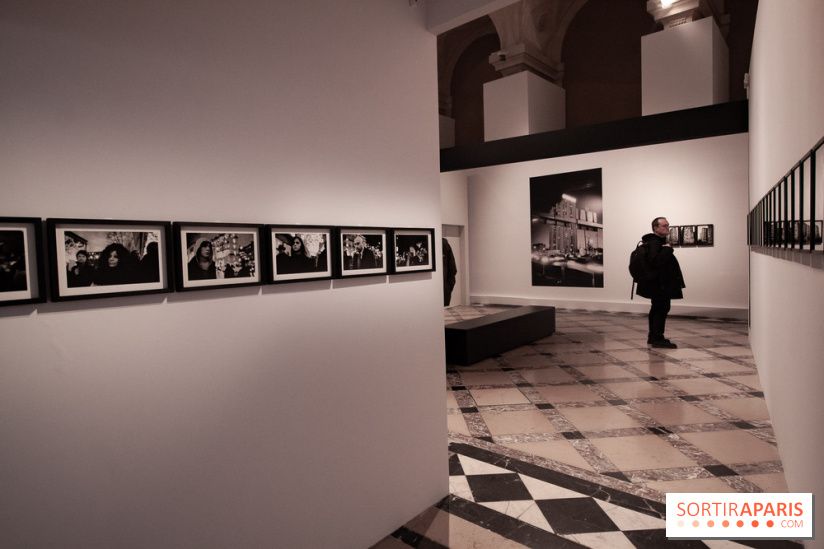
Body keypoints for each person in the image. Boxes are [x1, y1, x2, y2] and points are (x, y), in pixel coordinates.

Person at [635, 217, 685, 348]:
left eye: (668, 225)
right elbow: (655, 261)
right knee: (661, 309)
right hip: (659, 284)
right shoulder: (655, 242)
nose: (667, 228)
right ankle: (657, 338)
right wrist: (668, 249)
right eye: (664, 226)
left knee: (658, 308)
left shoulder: (655, 241)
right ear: (655, 228)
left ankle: (654, 336)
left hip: (658, 284)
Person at [442, 238, 457, 307]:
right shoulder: (445, 244)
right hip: (446, 282)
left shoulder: (444, 245)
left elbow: (452, 268)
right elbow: (452, 268)